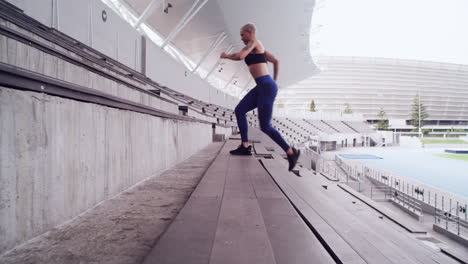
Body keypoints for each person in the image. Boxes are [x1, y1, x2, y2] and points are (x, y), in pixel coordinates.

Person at [220, 23, 300, 171]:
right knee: (239, 110)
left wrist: (226, 56)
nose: (241, 38)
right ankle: (245, 146)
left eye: (242, 34)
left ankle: (291, 152)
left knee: (265, 126)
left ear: (249, 32)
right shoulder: (259, 47)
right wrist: (274, 81)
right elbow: (276, 60)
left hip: (266, 87)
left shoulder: (253, 42)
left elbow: (240, 55)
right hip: (263, 86)